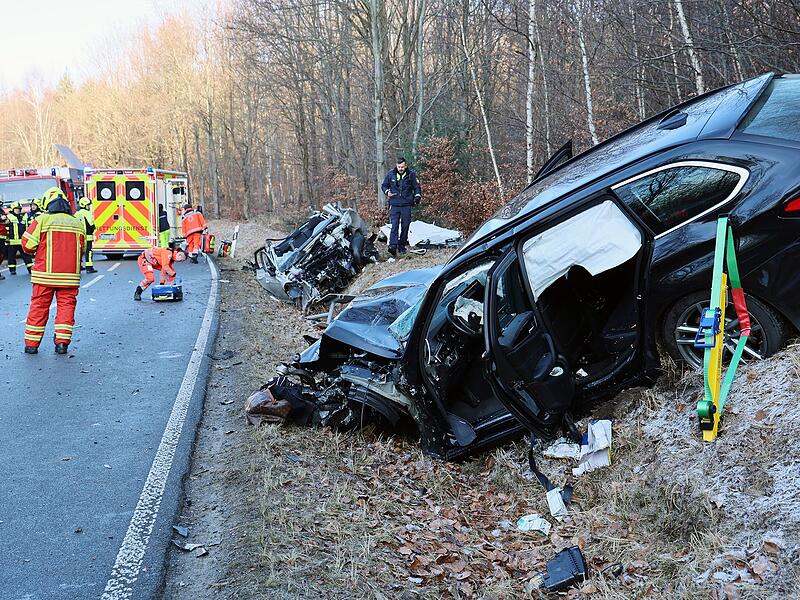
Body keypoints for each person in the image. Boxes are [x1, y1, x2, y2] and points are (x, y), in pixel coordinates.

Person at [21, 187, 85, 355]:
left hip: (44, 276)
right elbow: (82, 248)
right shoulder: (77, 222)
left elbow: (27, 245)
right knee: (66, 308)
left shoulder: (42, 220)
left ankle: (31, 345)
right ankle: (62, 343)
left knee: (39, 308)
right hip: (70, 277)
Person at [381, 156, 422, 255]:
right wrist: (387, 192)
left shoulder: (411, 175)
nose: (401, 169)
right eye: (399, 167)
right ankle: (393, 246)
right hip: (394, 204)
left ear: (405, 166)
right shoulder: (391, 174)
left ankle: (402, 246)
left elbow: (416, 187)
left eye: (402, 167)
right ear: (396, 166)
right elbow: (384, 185)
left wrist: (417, 196)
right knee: (394, 225)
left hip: (406, 204)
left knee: (405, 226)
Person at [6, 201, 33, 275]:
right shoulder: (9, 217)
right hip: (12, 241)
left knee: (26, 256)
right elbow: (5, 227)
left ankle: (30, 268)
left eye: (19, 209)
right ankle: (12, 270)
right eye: (16, 209)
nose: (18, 210)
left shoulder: (23, 217)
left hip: (22, 241)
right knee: (11, 256)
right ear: (13, 209)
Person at [74, 197, 97, 273]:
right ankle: (89, 267)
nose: (89, 207)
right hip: (88, 236)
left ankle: (79, 266)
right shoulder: (87, 213)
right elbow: (92, 225)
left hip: (78, 236)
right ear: (85, 205)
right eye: (88, 205)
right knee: (88, 252)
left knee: (79, 252)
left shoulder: (76, 214)